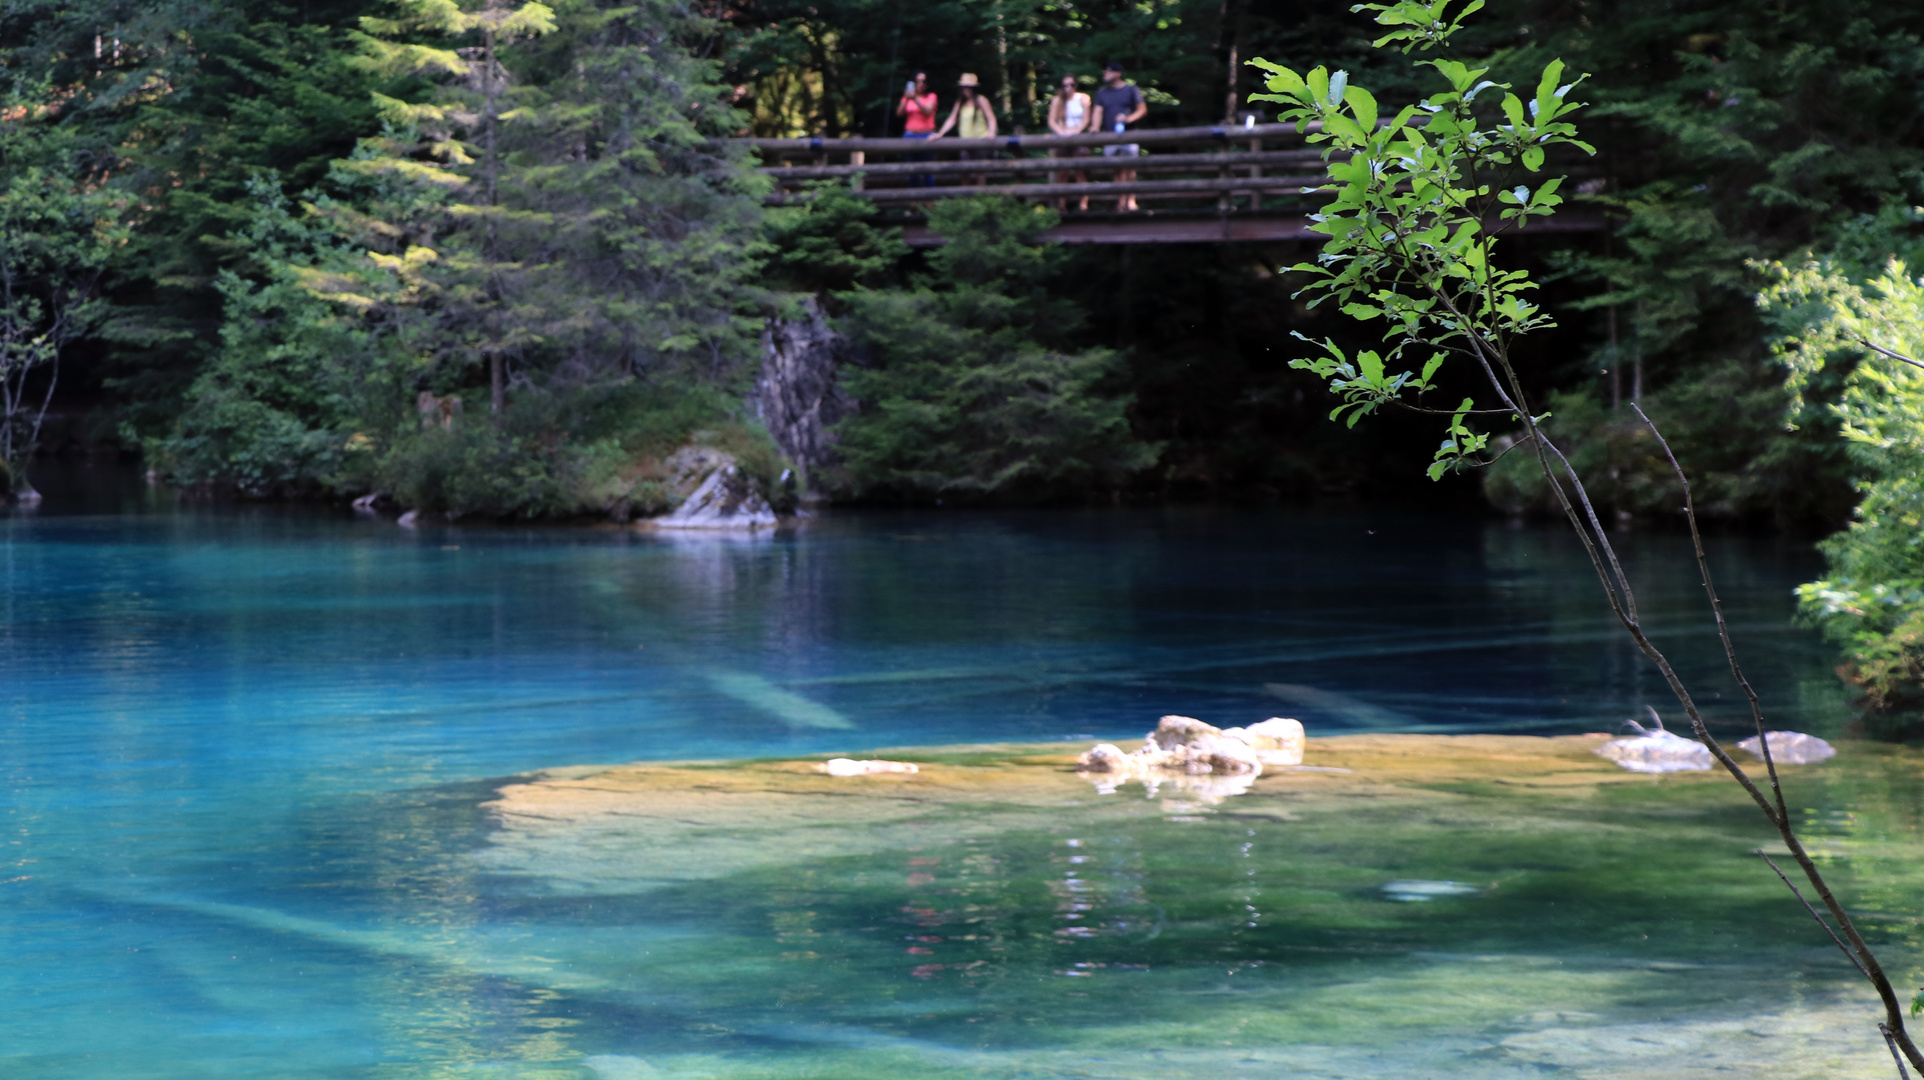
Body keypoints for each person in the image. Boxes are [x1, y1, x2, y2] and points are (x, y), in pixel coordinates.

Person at [1090, 61, 1147, 211]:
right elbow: (1097, 111)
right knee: (1116, 168)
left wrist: (1128, 119)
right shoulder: (1102, 92)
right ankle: (1120, 201)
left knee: (1130, 167)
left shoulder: (1131, 90)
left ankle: (1131, 200)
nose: (1105, 74)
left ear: (1118, 73)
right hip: (1110, 135)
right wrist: (1095, 127)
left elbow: (1142, 109)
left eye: (1108, 71)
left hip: (1129, 134)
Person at [931, 73, 997, 185]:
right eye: (965, 87)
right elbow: (952, 119)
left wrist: (992, 132)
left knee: (980, 172)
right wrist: (940, 134)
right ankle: (965, 199)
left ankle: (980, 198)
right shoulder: (960, 102)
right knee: (964, 171)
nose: (967, 89)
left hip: (980, 141)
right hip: (964, 143)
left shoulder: (981, 100)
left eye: (969, 87)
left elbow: (991, 118)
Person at [1047, 74, 1093, 211]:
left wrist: (1077, 131)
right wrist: (1061, 133)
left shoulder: (1083, 98)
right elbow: (1051, 121)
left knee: (1080, 171)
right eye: (1065, 85)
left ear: (1076, 85)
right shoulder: (1057, 100)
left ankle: (1083, 204)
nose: (1068, 88)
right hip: (1062, 137)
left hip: (1078, 136)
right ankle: (1062, 205)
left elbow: (1086, 119)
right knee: (1062, 172)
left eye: (1071, 85)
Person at [895, 71, 939, 187]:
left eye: (923, 81)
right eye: (917, 81)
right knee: (912, 169)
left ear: (926, 83)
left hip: (926, 135)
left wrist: (915, 99)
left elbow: (927, 111)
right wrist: (906, 98)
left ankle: (929, 201)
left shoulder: (931, 96)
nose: (920, 84)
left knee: (927, 169)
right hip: (910, 135)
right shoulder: (907, 98)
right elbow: (899, 113)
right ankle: (913, 202)